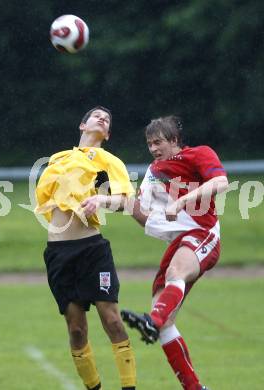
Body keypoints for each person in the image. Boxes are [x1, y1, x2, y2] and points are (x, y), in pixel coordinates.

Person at [121, 115, 229, 390]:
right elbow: (146, 217)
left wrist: (183, 200)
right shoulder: (154, 171)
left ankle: (151, 321)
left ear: (174, 140)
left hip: (204, 234)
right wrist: (108, 199)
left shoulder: (199, 154)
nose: (153, 149)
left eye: (158, 142)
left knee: (174, 274)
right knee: (166, 317)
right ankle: (195, 388)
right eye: (149, 144)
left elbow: (220, 183)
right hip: (181, 241)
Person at [35, 106, 136, 390]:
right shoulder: (57, 161)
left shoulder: (107, 162)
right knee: (76, 328)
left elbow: (124, 202)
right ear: (83, 125)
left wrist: (101, 200)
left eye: (107, 119)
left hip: (92, 250)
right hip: (58, 254)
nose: (102, 118)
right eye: (96, 116)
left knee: (112, 320)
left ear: (108, 133)